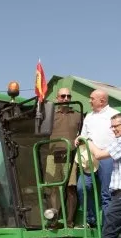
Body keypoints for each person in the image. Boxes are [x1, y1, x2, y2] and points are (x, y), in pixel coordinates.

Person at [77, 89, 120, 226]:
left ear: (102, 100)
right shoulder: (89, 116)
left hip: (107, 157)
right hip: (89, 157)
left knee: (106, 193)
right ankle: (91, 220)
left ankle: (107, 226)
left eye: (92, 98)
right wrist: (78, 139)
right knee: (82, 187)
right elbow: (83, 135)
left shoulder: (115, 114)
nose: (89, 101)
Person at [46, 87, 83, 227]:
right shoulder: (50, 115)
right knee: (53, 188)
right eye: (63, 96)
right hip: (53, 154)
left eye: (68, 96)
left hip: (70, 154)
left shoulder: (78, 115)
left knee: (70, 187)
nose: (66, 99)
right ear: (57, 98)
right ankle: (54, 219)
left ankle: (69, 221)